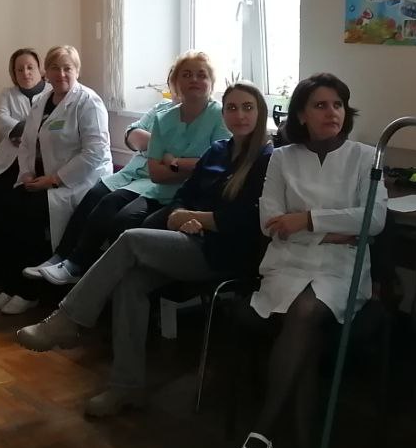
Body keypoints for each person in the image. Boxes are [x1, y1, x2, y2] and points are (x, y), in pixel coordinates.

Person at [16, 82, 273, 416]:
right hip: (191, 241)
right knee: (131, 282)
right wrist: (180, 215)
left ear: (260, 113)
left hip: (227, 254)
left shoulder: (268, 159)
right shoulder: (217, 151)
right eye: (232, 108)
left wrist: (198, 219)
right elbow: (184, 195)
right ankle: (126, 387)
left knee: (131, 239)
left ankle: (68, 318)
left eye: (248, 107)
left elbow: (251, 219)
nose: (240, 115)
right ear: (223, 114)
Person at [224, 73, 387, 448]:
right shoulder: (282, 158)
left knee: (306, 311)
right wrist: (335, 228)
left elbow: (373, 220)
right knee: (305, 331)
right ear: (301, 114)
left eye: (337, 104)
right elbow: (270, 221)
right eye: (320, 105)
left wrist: (308, 221)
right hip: (287, 265)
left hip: (341, 269)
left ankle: (262, 433)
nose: (331, 112)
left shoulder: (366, 157)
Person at [29, 51, 229, 287]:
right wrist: (175, 159)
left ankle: (91, 274)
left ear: (212, 82)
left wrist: (172, 160)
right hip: (148, 180)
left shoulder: (219, 116)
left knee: (120, 216)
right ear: (175, 83)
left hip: (174, 190)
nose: (193, 80)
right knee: (100, 198)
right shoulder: (164, 115)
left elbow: (213, 164)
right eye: (186, 75)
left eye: (201, 75)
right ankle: (68, 260)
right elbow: (139, 146)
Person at [0, 45, 111, 315]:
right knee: (7, 205)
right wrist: (26, 173)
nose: (61, 74)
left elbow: (95, 153)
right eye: (55, 67)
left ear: (77, 70)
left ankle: (29, 292)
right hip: (43, 178)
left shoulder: (88, 102)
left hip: (79, 182)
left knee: (30, 212)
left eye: (67, 68)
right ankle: (12, 283)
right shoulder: (43, 101)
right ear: (47, 72)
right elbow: (26, 144)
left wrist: (54, 179)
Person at [0, 48, 46, 269]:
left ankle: (23, 260)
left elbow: (52, 127)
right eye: (19, 69)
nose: (25, 73)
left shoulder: (52, 92)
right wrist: (31, 132)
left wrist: (25, 134)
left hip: (41, 161)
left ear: (40, 69)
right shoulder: (7, 94)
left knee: (20, 202)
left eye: (30, 67)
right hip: (9, 160)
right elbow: (1, 120)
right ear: (13, 73)